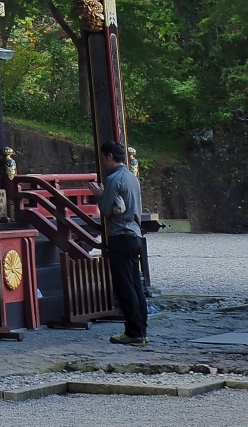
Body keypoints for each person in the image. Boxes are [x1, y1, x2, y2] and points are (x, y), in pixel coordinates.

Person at [97, 138, 149, 345]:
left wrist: (99, 195)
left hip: (120, 235)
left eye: (103, 158)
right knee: (136, 285)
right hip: (135, 235)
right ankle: (141, 329)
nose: (103, 163)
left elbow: (106, 209)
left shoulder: (113, 179)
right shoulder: (131, 177)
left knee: (124, 286)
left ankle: (133, 332)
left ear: (110, 156)